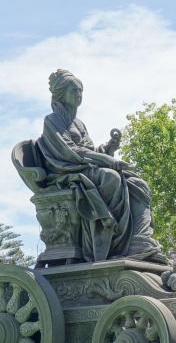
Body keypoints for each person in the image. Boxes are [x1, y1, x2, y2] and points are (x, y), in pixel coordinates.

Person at [34, 69, 165, 263]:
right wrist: (108, 161)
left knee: (138, 184)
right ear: (61, 94)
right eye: (74, 90)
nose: (79, 94)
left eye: (81, 90)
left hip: (85, 168)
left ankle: (139, 240)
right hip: (67, 172)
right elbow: (71, 152)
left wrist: (108, 148)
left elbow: (90, 150)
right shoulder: (52, 121)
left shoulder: (78, 123)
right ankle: (113, 244)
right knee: (111, 177)